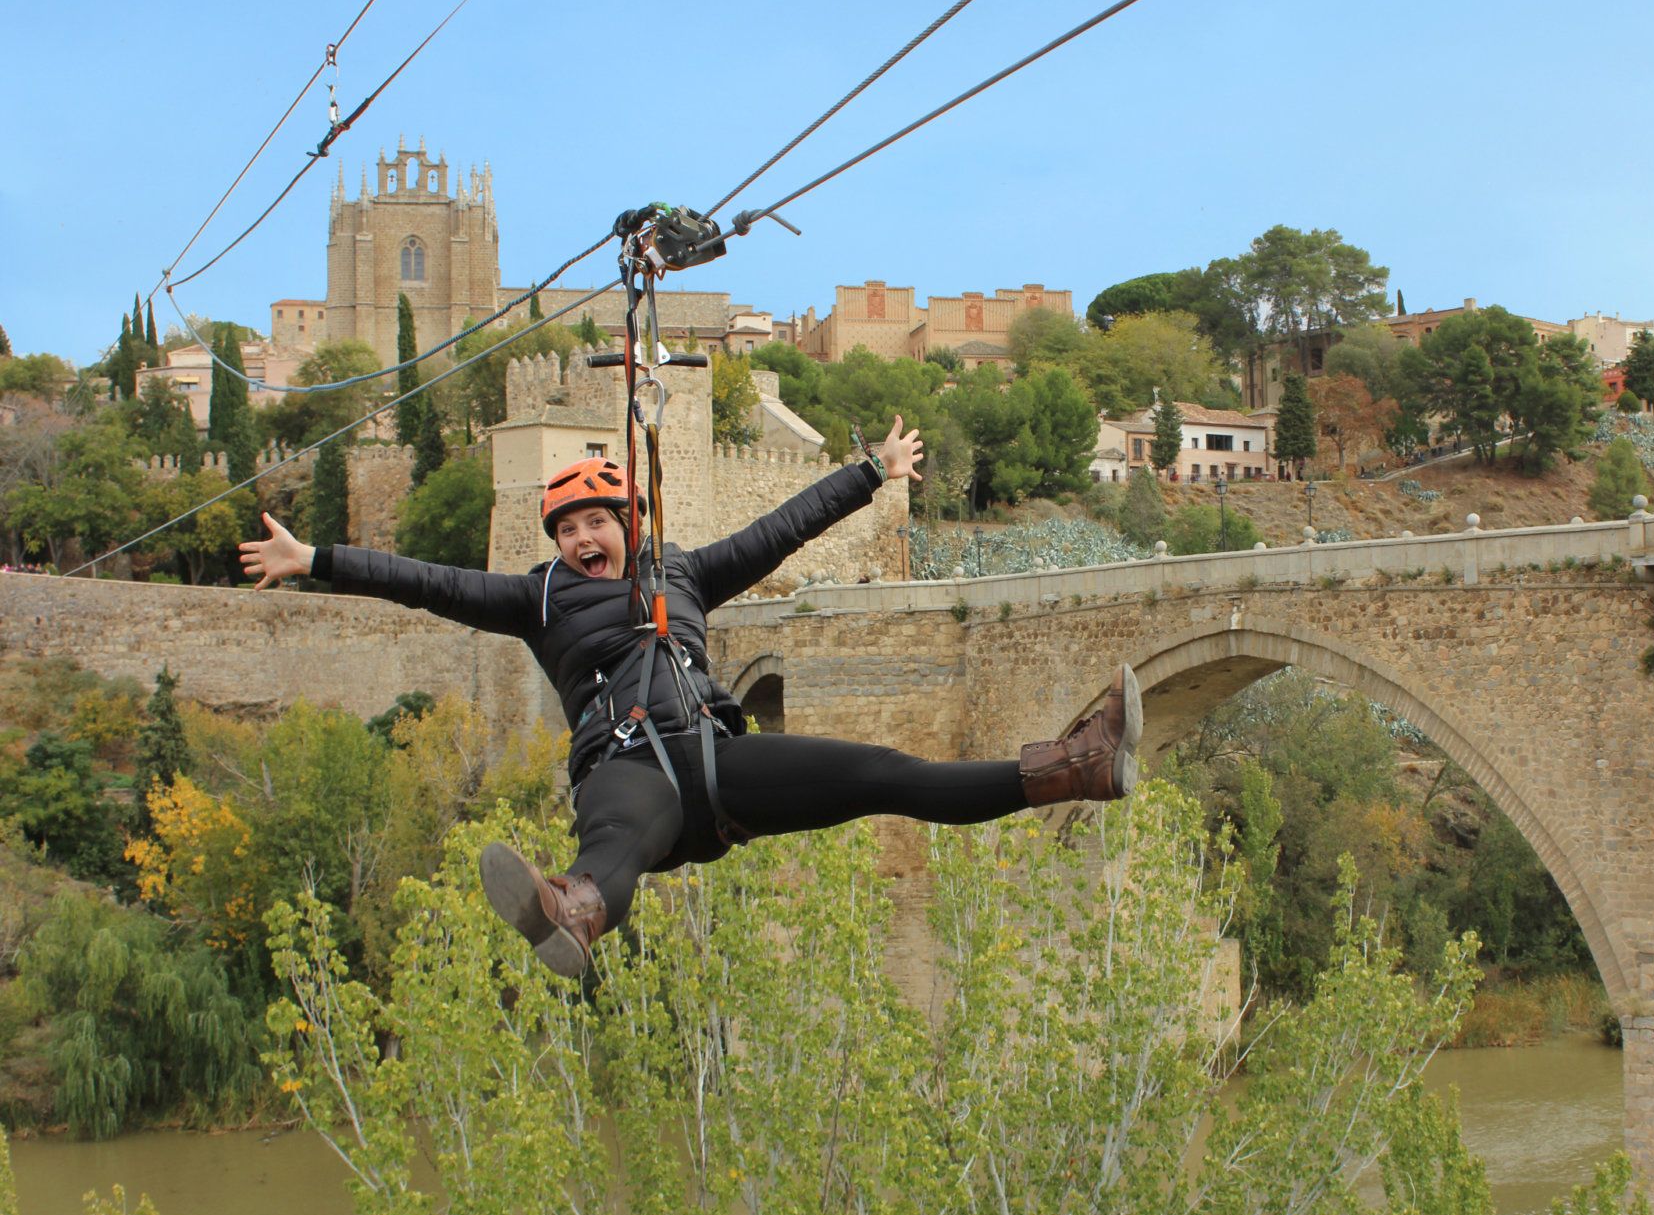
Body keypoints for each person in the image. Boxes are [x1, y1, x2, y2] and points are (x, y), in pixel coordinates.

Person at [238, 415, 1140, 978]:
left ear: (630, 526)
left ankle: (1076, 768)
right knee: (614, 843)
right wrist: (314, 559)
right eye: (568, 528)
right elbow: (425, 581)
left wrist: (872, 474)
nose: (584, 537)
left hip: (718, 758)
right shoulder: (536, 597)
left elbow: (780, 531)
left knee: (887, 774)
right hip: (628, 770)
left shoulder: (686, 574)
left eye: (598, 521)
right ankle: (574, 911)